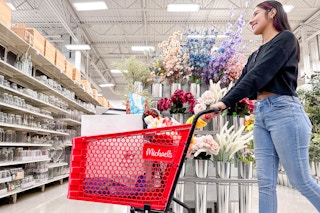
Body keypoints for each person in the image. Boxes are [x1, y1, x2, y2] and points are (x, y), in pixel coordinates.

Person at [209, 1, 320, 212]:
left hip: (285, 112)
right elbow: (245, 82)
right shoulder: (255, 55)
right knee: (265, 184)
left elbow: (258, 75)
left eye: (256, 13)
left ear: (272, 13)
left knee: (300, 180)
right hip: (261, 115)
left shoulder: (286, 39)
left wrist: (224, 102)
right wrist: (218, 105)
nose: (250, 20)